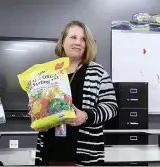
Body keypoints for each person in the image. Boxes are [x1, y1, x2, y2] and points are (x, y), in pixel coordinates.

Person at [34, 20, 118, 166]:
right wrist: (37, 116)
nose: (78, 42)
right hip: (49, 153)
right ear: (62, 42)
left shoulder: (97, 72)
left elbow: (112, 107)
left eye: (83, 39)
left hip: (84, 155)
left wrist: (86, 116)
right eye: (73, 37)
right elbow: (40, 107)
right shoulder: (48, 72)